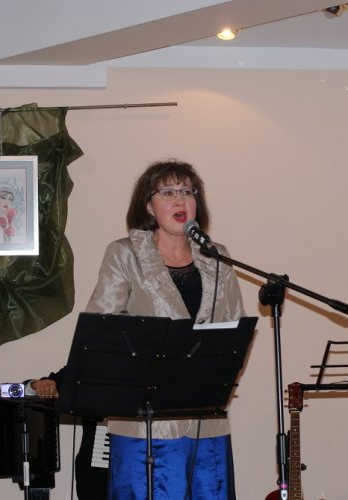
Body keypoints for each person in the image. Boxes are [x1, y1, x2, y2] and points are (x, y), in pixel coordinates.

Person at [85, 159, 246, 499]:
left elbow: (234, 336)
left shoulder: (217, 257)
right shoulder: (125, 254)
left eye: (187, 192)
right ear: (148, 205)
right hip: (144, 426)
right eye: (168, 192)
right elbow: (101, 332)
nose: (180, 200)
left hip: (207, 422)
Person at [27, 373, 109, 499]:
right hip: (96, 470)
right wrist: (37, 385)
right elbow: (34, 387)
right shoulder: (88, 367)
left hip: (136, 465)